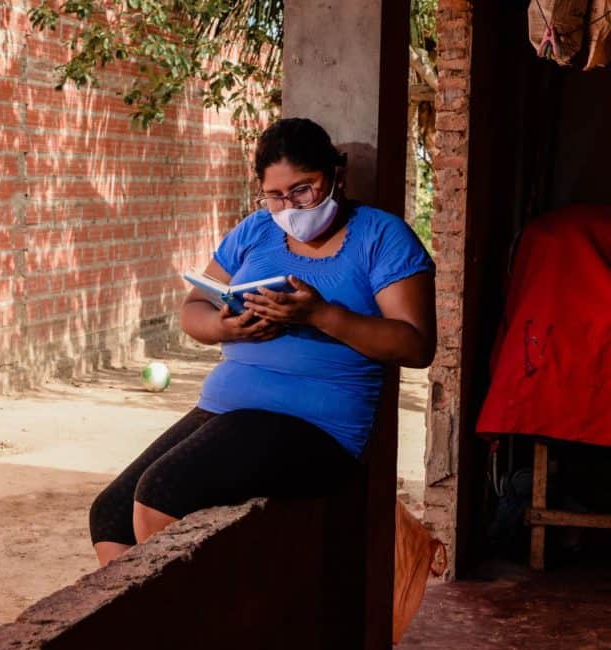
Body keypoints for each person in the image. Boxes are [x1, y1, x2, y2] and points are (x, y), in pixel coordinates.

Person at [88, 118, 437, 567]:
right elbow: (194, 307)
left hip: (317, 427)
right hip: (226, 408)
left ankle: (204, 632)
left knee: (161, 495)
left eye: (303, 190)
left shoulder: (382, 236)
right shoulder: (256, 230)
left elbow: (416, 345)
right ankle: (153, 630)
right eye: (275, 196)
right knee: (111, 515)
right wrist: (225, 328)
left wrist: (321, 315)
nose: (289, 206)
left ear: (337, 175)